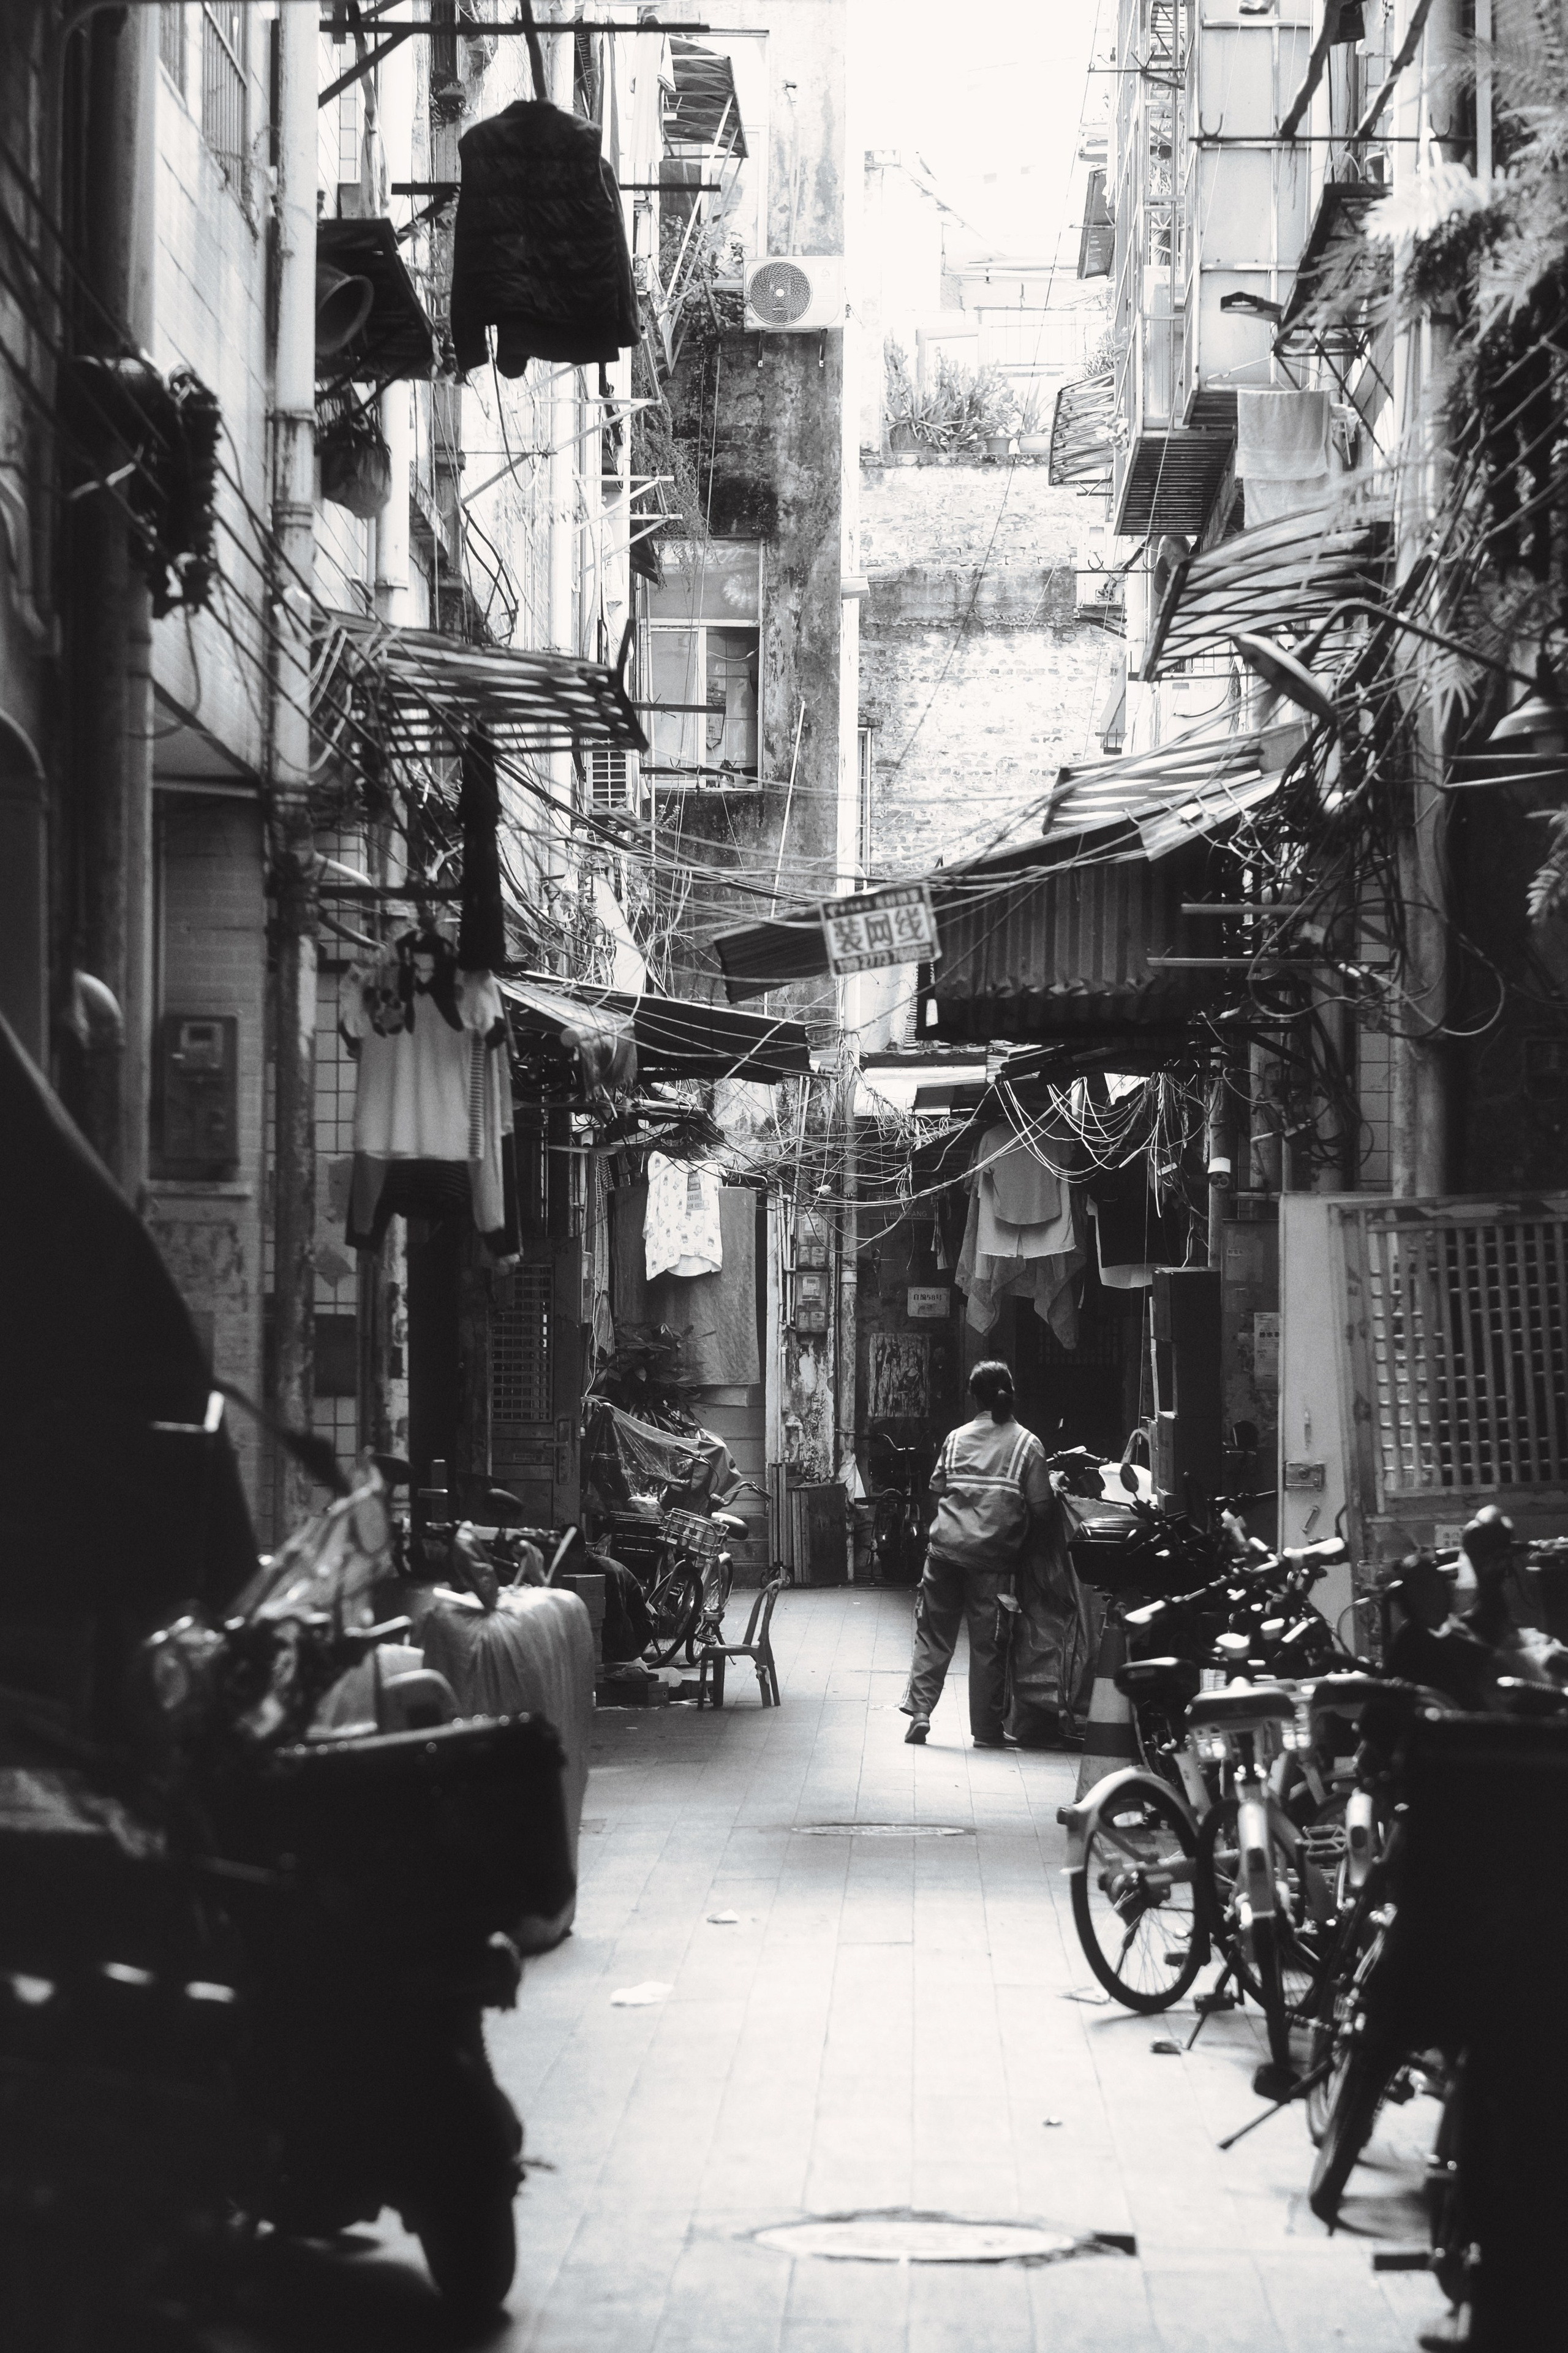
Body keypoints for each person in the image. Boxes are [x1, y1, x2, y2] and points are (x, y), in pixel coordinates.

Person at [900, 1360, 1057, 1748]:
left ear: (974, 1398)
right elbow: (1042, 1509)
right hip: (993, 1561)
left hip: (944, 1553)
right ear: (1011, 1393)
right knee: (989, 1646)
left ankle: (921, 1714)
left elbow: (936, 1492)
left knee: (933, 1635)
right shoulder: (1027, 1444)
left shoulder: (955, 1439)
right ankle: (986, 1731)